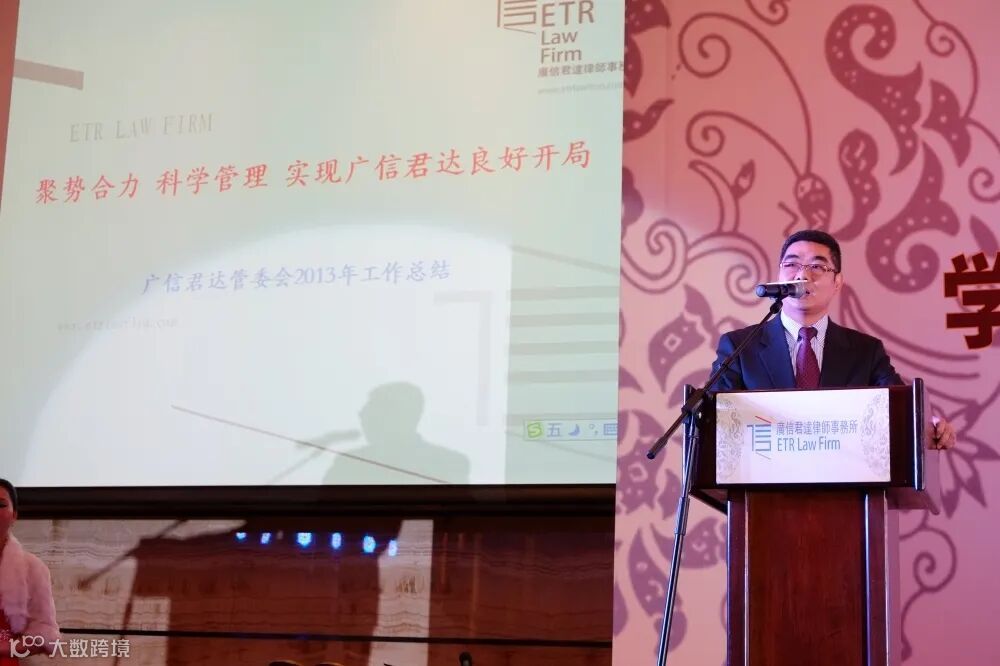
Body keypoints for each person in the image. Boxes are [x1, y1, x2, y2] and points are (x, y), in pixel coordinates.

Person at [711, 229, 957, 450]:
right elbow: (717, 417)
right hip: (762, 479)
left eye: (817, 266)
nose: (802, 275)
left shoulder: (865, 351)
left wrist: (927, 425)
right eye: (792, 264)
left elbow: (899, 408)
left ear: (837, 282)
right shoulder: (740, 347)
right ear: (779, 274)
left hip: (844, 481)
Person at [0, 479, 59, 662]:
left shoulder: (32, 568)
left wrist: (4, 648)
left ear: (14, 515)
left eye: (1, 505)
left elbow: (45, 636)